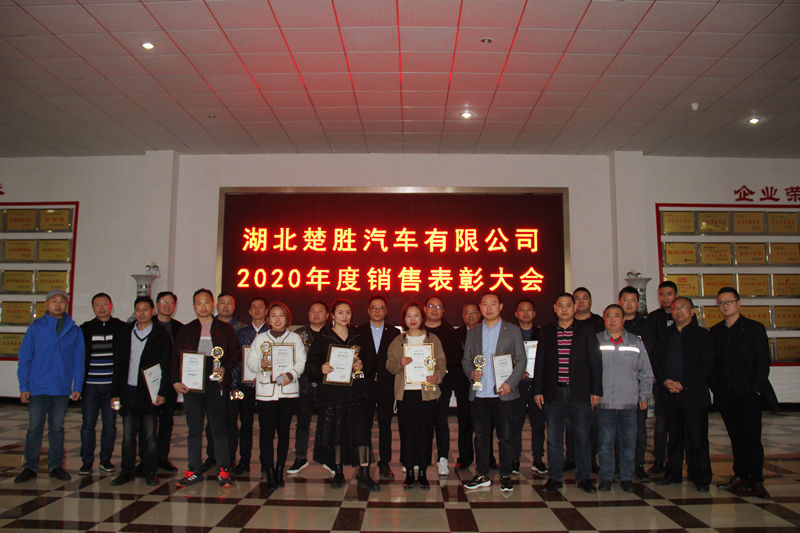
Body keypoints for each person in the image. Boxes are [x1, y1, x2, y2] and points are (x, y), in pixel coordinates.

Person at [306, 299, 379, 491]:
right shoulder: (323, 337)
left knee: (362, 435)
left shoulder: (359, 336)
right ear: (332, 315)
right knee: (335, 435)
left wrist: (362, 365)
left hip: (356, 394)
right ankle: (338, 472)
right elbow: (311, 364)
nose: (344, 316)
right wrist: (321, 368)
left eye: (348, 312)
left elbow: (371, 359)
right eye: (340, 312)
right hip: (332, 394)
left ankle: (365, 473)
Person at [533, 292, 602, 494]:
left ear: (574, 308)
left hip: (579, 393)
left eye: (568, 305)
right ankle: (555, 477)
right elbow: (540, 362)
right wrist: (538, 390)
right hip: (553, 393)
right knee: (554, 439)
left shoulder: (586, 330)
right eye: (560, 305)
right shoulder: (546, 331)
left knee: (582, 437)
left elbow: (595, 361)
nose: (564, 309)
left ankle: (584, 478)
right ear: (555, 308)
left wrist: (596, 390)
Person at [711, 287, 776, 499]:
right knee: (735, 436)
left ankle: (756, 480)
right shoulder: (716, 331)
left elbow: (763, 361)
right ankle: (740, 475)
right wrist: (716, 387)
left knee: (752, 437)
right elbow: (712, 363)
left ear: (738, 303)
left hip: (749, 393)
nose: (725, 306)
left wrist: (755, 388)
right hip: (726, 394)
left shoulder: (754, 328)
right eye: (721, 302)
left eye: (729, 301)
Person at [171, 289, 240, 488]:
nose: (203, 307)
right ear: (194, 306)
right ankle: (194, 470)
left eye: (206, 302)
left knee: (219, 428)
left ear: (212, 305)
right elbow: (176, 357)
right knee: (194, 428)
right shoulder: (187, 329)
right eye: (198, 303)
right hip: (192, 384)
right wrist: (175, 381)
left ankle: (223, 469)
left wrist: (225, 368)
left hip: (215, 383)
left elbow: (235, 353)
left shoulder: (225, 329)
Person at [15, 289, 84, 483]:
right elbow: (25, 358)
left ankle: (56, 466)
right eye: (54, 301)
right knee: (34, 428)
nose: (58, 304)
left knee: (57, 428)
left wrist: (77, 386)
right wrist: (24, 386)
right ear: (47, 304)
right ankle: (30, 467)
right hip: (38, 387)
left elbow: (79, 360)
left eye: (62, 301)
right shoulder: (36, 328)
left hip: (60, 387)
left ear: (66, 304)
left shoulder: (74, 330)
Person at [461, 292, 527, 493]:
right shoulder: (473, 332)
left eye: (493, 304)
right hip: (480, 394)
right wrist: (471, 373)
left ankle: (505, 475)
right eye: (485, 304)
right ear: (480, 308)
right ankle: (482, 474)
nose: (488, 308)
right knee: (481, 437)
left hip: (503, 393)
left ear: (501, 307)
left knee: (506, 436)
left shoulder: (513, 330)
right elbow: (466, 360)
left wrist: (510, 384)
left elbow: (521, 360)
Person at [110, 297, 172, 486]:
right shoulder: (125, 332)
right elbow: (118, 364)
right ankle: (126, 471)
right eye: (138, 309)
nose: (142, 313)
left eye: (145, 309)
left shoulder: (160, 334)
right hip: (128, 390)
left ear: (152, 311)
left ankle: (150, 471)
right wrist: (115, 393)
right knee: (128, 435)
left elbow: (166, 366)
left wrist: (162, 392)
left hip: (149, 392)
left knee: (150, 435)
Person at [654, 297, 713, 492]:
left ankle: (701, 478)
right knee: (674, 438)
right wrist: (664, 381)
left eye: (683, 307)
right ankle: (673, 473)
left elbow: (706, 365)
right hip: (669, 393)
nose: (678, 311)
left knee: (697, 438)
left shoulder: (702, 335)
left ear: (692, 311)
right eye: (675, 308)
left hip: (693, 395)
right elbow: (657, 361)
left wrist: (684, 384)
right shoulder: (665, 335)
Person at [386, 301, 446, 489]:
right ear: (404, 319)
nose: (412, 319)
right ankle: (410, 471)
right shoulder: (398, 340)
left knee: (426, 434)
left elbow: (441, 363)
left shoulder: (432, 339)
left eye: (416, 315)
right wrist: (400, 363)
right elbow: (390, 365)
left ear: (422, 317)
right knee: (407, 433)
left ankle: (423, 473)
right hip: (406, 395)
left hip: (427, 394)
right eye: (408, 316)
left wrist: (436, 376)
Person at [247, 302, 306, 488]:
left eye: (281, 315)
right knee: (266, 433)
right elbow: (251, 361)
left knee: (284, 432)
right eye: (273, 315)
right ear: (268, 319)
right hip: (266, 392)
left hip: (287, 392)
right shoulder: (260, 339)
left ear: (287, 319)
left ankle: (280, 468)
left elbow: (301, 362)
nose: (277, 319)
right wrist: (260, 364)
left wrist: (290, 375)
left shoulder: (295, 338)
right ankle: (269, 470)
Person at [595, 304, 653, 493]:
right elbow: (588, 371)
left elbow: (646, 372)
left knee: (629, 443)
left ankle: (627, 477)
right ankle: (606, 477)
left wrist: (644, 395)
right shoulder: (596, 341)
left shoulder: (635, 342)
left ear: (623, 319)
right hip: (604, 403)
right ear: (604, 319)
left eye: (616, 316)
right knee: (605, 443)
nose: (612, 320)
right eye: (608, 316)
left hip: (629, 403)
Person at [79, 292, 126, 475]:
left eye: (104, 304)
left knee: (110, 423)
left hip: (112, 389)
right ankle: (86, 461)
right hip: (90, 387)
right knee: (88, 424)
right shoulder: (86, 329)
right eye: (97, 305)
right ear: (93, 308)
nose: (101, 308)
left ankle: (106, 459)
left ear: (111, 305)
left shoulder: (121, 328)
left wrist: (119, 389)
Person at [355, 295, 400, 479]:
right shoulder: (359, 331)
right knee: (363, 427)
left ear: (386, 311)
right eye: (374, 307)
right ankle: (363, 464)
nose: (377, 311)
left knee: (385, 426)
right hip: (364, 385)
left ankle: (385, 462)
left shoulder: (394, 332)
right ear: (368, 310)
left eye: (381, 308)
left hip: (386, 385)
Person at [287, 301, 329, 475]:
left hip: (326, 385)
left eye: (320, 311)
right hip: (303, 384)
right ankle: (300, 457)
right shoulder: (297, 335)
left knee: (327, 424)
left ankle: (327, 459)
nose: (316, 314)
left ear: (327, 315)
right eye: (313, 310)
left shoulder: (332, 333)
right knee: (302, 423)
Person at [424, 295, 463, 476]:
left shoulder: (451, 333)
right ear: (425, 309)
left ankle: (442, 459)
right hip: (419, 385)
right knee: (421, 422)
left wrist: (439, 374)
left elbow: (455, 358)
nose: (434, 310)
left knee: (441, 421)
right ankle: (419, 459)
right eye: (431, 306)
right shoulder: (416, 330)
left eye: (438, 307)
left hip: (442, 385)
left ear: (443, 311)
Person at [232, 296, 269, 475]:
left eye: (260, 307)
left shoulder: (272, 333)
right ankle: (244, 460)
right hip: (245, 386)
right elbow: (236, 360)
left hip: (266, 386)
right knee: (245, 424)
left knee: (266, 426)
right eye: (254, 307)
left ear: (266, 311)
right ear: (249, 311)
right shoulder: (241, 333)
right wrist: (235, 385)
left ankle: (265, 462)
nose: (257, 310)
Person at [618, 286, 652, 482]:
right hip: (615, 388)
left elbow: (650, 358)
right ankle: (617, 466)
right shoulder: (613, 324)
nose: (629, 304)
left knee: (639, 429)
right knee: (615, 430)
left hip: (637, 387)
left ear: (638, 303)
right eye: (626, 300)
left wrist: (645, 390)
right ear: (620, 301)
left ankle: (638, 465)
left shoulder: (647, 326)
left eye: (633, 301)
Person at [646, 280, 678, 475]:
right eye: (662, 294)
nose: (665, 298)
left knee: (680, 425)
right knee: (661, 423)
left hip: (682, 381)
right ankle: (658, 461)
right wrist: (659, 375)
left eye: (669, 294)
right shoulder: (653, 318)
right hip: (661, 379)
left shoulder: (683, 315)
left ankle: (676, 463)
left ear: (676, 295)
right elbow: (652, 349)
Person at [514, 298, 547, 476]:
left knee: (538, 425)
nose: (525, 313)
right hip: (517, 385)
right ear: (516, 314)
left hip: (537, 386)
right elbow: (504, 357)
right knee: (515, 424)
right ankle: (514, 459)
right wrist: (516, 371)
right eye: (522, 310)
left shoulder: (543, 334)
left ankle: (538, 459)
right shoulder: (510, 333)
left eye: (529, 310)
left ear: (534, 314)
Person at [153, 291, 183, 472]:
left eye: (171, 302)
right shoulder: (147, 324)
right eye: (163, 301)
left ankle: (162, 457)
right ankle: (147, 458)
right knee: (147, 423)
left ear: (175, 306)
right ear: (157, 304)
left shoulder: (179, 328)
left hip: (170, 382)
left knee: (166, 422)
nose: (167, 305)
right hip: (149, 382)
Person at [451, 302, 480, 470]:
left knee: (486, 424)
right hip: (463, 385)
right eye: (467, 312)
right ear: (463, 316)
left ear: (480, 314)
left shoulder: (487, 332)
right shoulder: (456, 335)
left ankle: (487, 458)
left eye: (474, 312)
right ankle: (465, 457)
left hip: (485, 385)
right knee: (465, 423)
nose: (470, 315)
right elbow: (453, 360)